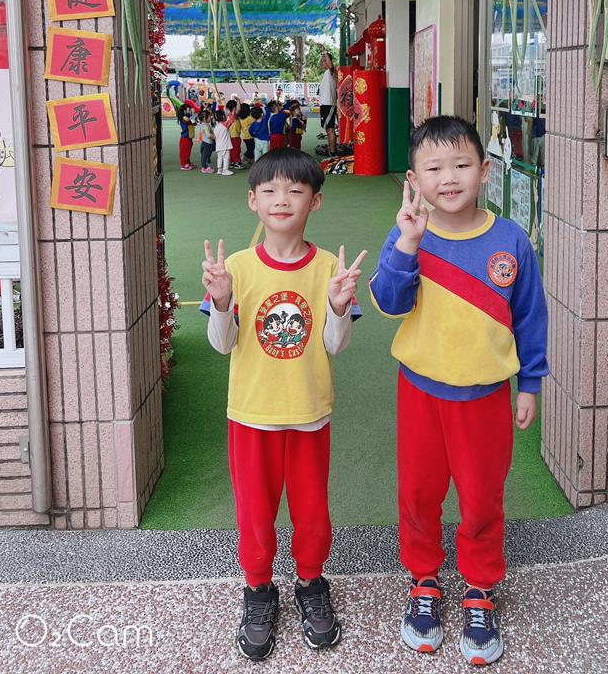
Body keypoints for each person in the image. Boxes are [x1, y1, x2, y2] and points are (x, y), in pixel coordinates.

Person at [369, 115, 549, 666]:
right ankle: (423, 580)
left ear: (485, 170)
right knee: (419, 493)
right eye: (434, 168)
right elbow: (388, 302)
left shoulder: (510, 239)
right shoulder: (409, 234)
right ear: (413, 179)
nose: (449, 178)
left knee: (482, 497)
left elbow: (530, 317)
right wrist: (407, 244)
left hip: (486, 397)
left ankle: (479, 588)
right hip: (420, 393)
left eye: (462, 164)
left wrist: (530, 382)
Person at [201, 148, 367, 661]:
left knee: (312, 510)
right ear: (253, 200)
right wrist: (223, 301)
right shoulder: (235, 267)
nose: (281, 199)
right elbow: (222, 345)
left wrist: (337, 305)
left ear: (315, 202)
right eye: (269, 190)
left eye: (295, 191)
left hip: (310, 414)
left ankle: (311, 582)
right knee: (255, 512)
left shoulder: (329, 268)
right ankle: (258, 589)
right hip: (251, 415)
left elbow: (335, 345)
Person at [318, 52, 338, 156]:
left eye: (324, 60)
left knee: (330, 129)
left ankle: (333, 153)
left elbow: (330, 65)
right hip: (325, 105)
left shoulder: (332, 71)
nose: (322, 62)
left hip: (329, 104)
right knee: (328, 129)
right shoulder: (326, 74)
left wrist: (324, 51)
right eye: (322, 60)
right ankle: (332, 152)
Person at [213, 109, 234, 176]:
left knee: (219, 158)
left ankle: (219, 170)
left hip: (218, 146)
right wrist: (231, 113)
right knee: (226, 158)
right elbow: (232, 120)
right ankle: (225, 170)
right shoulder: (224, 125)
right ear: (222, 116)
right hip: (225, 146)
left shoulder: (216, 127)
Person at [178, 105, 196, 171]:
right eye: (189, 110)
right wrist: (190, 113)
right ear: (184, 111)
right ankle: (184, 164)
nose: (190, 111)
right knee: (184, 152)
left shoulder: (186, 118)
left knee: (188, 151)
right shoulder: (184, 117)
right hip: (185, 138)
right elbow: (187, 119)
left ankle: (187, 162)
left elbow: (190, 124)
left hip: (188, 137)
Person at [227, 100, 243, 170]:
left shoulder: (230, 115)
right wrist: (238, 100)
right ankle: (237, 162)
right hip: (235, 136)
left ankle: (232, 162)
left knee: (232, 149)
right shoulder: (234, 115)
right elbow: (238, 109)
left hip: (231, 135)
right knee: (236, 149)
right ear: (234, 108)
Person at [198, 109, 215, 174]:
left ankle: (204, 166)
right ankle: (205, 167)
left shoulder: (202, 124)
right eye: (209, 116)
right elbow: (208, 135)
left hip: (204, 142)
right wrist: (215, 137)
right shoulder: (206, 125)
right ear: (205, 118)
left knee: (204, 155)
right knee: (205, 156)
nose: (211, 117)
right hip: (207, 143)